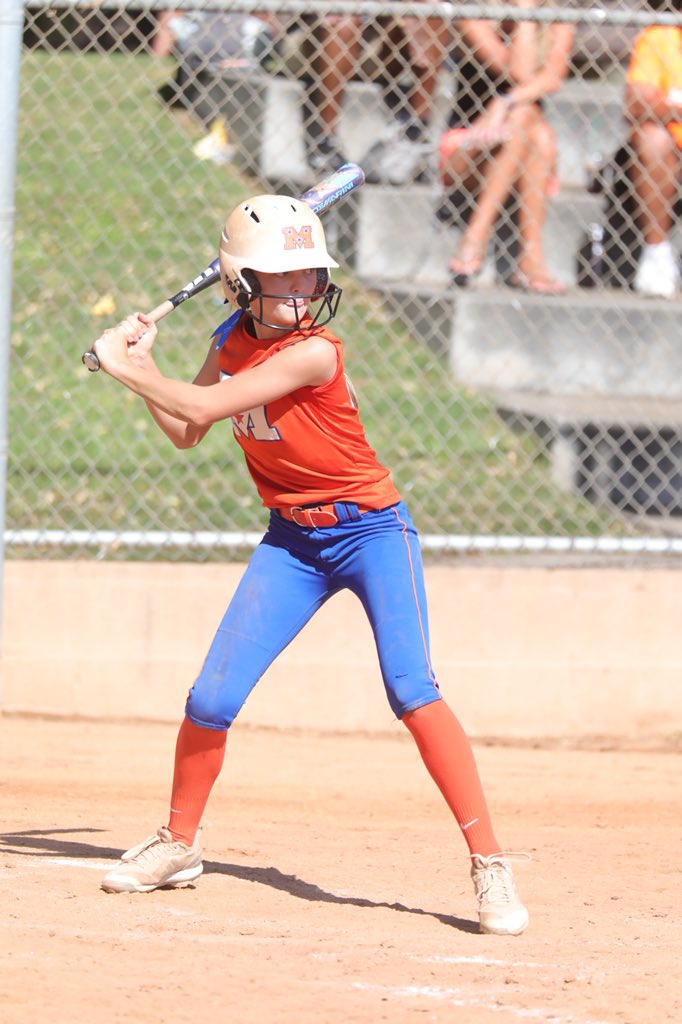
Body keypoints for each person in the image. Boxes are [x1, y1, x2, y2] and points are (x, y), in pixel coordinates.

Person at [89, 193, 528, 936]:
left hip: (371, 533)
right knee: (210, 699)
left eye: (308, 276)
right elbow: (184, 428)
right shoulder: (231, 339)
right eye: (280, 277)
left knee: (411, 689)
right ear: (239, 284)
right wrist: (143, 364)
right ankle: (179, 843)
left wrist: (121, 367)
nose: (300, 291)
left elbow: (195, 413)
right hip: (292, 541)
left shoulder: (315, 353)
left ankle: (490, 864)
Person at [439, 0, 574, 292]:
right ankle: (526, 256)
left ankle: (478, 238)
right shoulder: (474, 12)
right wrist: (525, 13)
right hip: (469, 141)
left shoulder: (559, 15)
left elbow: (553, 76)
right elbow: (518, 72)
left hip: (524, 145)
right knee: (531, 125)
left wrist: (506, 102)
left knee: (530, 126)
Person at [302, 10, 454, 183]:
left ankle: (415, 133)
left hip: (388, 18)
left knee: (430, 12)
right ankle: (326, 144)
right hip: (342, 14)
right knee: (345, 22)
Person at [625, 16, 682, 298]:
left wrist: (669, 106)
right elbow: (637, 103)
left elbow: (653, 102)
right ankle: (656, 253)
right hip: (673, 144)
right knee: (652, 138)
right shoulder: (661, 36)